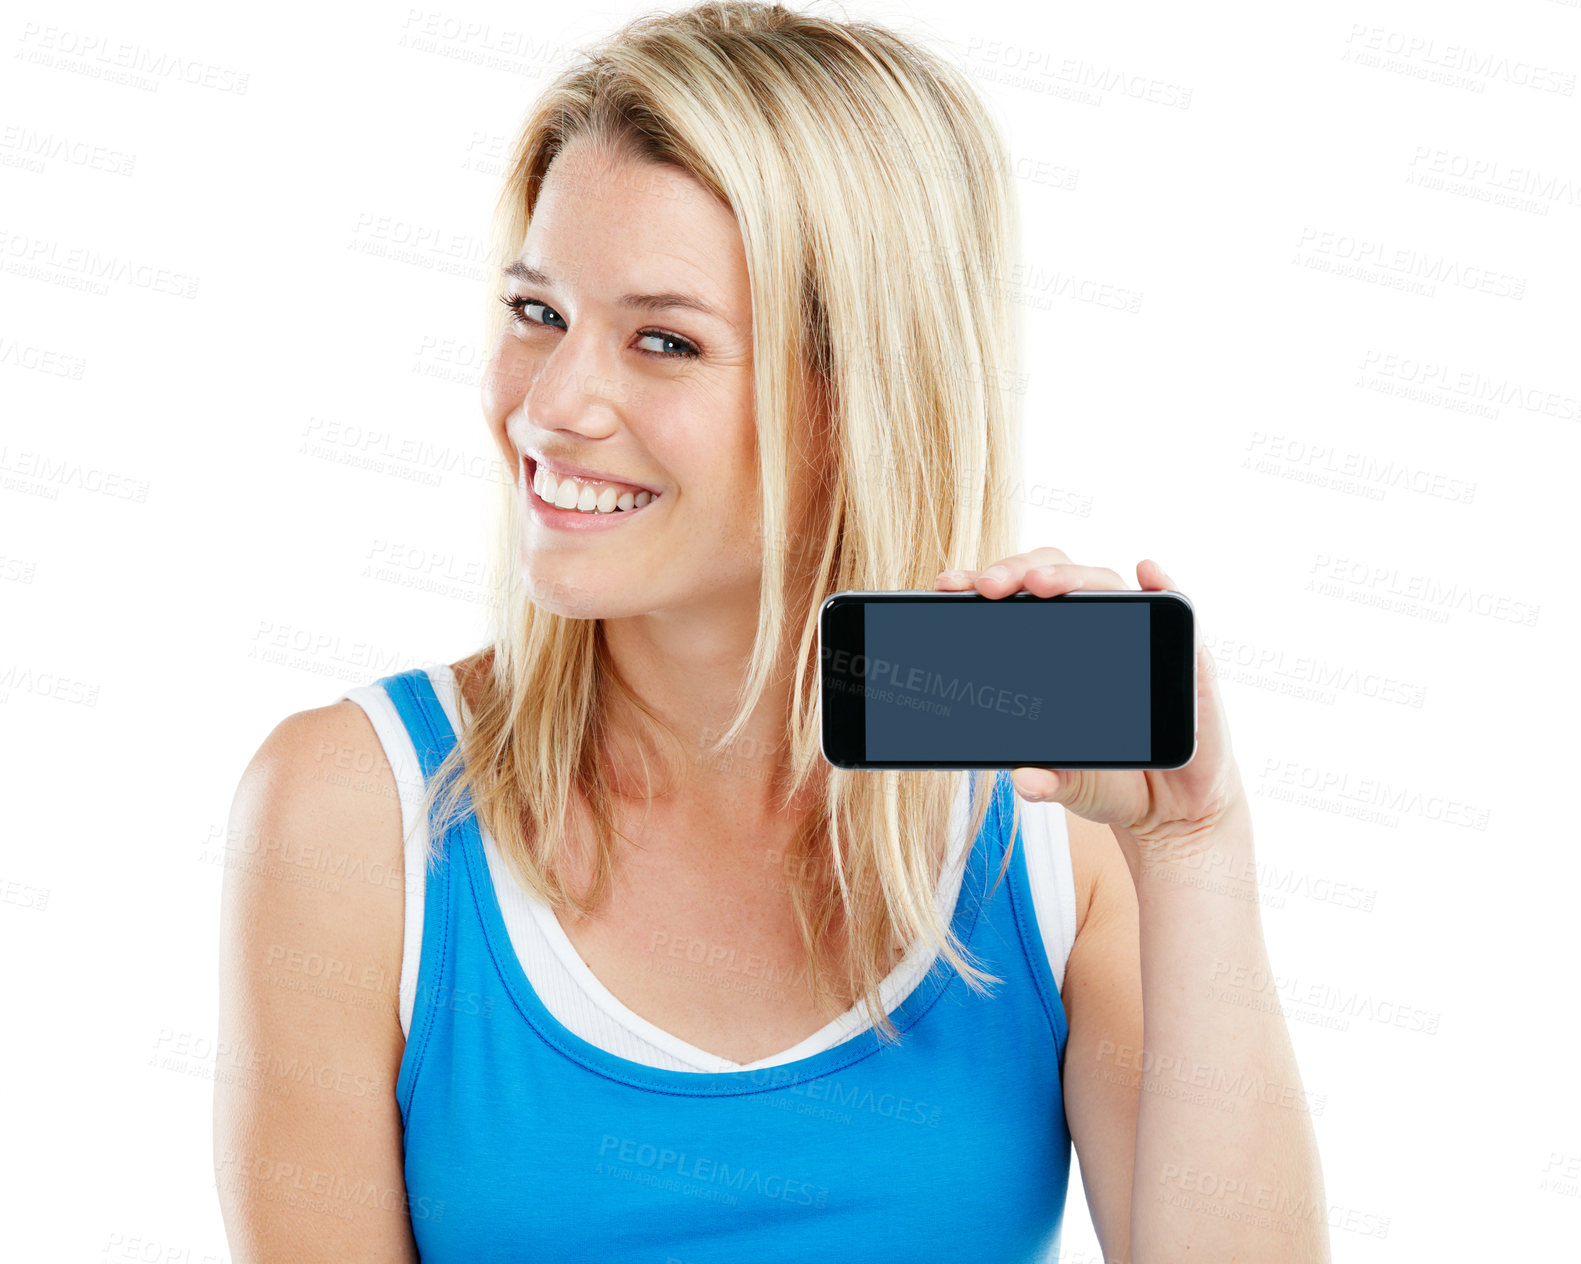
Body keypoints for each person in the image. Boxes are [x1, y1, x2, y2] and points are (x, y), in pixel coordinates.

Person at [214, 3, 1329, 1260]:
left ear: (857, 395)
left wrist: (1196, 845)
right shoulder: (353, 816)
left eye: (665, 340)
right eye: (537, 312)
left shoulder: (1062, 830)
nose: (553, 404)